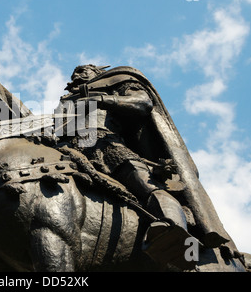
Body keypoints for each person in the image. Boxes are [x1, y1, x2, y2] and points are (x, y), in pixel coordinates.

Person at [55, 64, 230, 269]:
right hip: (68, 150)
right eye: (74, 73)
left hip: (105, 145)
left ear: (97, 73)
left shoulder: (116, 82)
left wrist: (101, 100)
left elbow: (142, 103)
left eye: (83, 70)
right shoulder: (67, 102)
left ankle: (172, 228)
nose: (77, 75)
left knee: (143, 182)